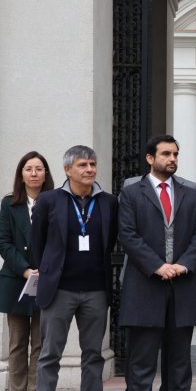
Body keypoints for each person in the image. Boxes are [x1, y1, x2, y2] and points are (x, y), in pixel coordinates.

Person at [118, 135, 196, 390]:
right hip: (145, 286)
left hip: (183, 286)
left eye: (175, 154)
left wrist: (184, 264)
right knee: (141, 363)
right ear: (150, 158)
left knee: (180, 364)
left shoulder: (189, 194)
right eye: (166, 154)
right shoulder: (132, 193)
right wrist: (157, 265)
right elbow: (127, 234)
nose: (172, 159)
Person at [31, 145, 118, 391]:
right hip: (59, 290)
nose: (89, 169)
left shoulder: (108, 202)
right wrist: (46, 270)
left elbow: (109, 241)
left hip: (96, 291)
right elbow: (37, 242)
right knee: (50, 354)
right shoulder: (48, 200)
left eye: (92, 164)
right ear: (67, 169)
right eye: (82, 165)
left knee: (93, 355)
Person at [0, 151, 54, 391]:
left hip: (46, 280)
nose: (34, 173)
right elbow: (4, 242)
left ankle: (35, 388)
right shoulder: (9, 203)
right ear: (21, 174)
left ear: (45, 174)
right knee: (18, 343)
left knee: (41, 344)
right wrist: (24, 271)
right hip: (16, 281)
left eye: (39, 169)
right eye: (28, 169)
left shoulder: (55, 202)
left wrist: (46, 270)